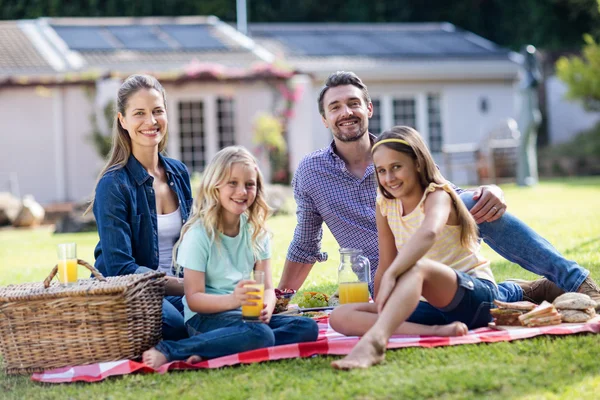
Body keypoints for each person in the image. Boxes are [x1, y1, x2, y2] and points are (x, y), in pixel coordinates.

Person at [278, 71, 600, 306]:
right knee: (437, 308)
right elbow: (305, 244)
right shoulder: (311, 172)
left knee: (474, 202)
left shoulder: (400, 151)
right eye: (335, 107)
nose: (346, 112)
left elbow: (444, 194)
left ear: (369, 109)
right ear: (324, 119)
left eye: (353, 103)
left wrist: (489, 191)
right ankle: (520, 292)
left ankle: (578, 282)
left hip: (438, 257)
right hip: (386, 278)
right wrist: (281, 298)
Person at [330, 126, 501, 369]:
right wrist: (382, 302)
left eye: (396, 167)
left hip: (476, 298)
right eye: (381, 171)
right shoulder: (385, 206)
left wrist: (393, 274)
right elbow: (385, 263)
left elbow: (429, 232)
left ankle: (375, 342)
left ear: (418, 164)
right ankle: (436, 331)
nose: (389, 178)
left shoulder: (437, 195)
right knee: (340, 316)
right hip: (428, 306)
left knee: (416, 267)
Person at [142, 146, 319, 368]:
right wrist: (233, 300)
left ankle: (214, 349)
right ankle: (172, 349)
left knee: (305, 328)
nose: (242, 191)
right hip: (205, 318)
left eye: (249, 184)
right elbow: (194, 298)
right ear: (215, 186)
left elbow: (267, 288)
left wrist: (267, 306)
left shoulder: (256, 231)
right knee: (260, 334)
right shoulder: (199, 234)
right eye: (232, 183)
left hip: (246, 317)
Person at [87, 74, 192, 341]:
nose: (151, 121)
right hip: (133, 295)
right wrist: (189, 287)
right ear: (122, 120)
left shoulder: (178, 173)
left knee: (231, 314)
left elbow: (195, 243)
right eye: (139, 113)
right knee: (178, 327)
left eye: (158, 111)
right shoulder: (113, 185)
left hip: (182, 291)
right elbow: (121, 268)